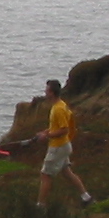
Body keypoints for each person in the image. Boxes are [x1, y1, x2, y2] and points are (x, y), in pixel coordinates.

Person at [33, 78, 92, 208]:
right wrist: (44, 132)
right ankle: (86, 197)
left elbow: (64, 129)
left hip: (58, 147)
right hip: (64, 146)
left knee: (45, 175)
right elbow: (57, 127)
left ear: (51, 93)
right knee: (66, 172)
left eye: (47, 90)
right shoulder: (61, 105)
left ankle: (40, 206)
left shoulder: (58, 109)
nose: (45, 92)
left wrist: (46, 135)